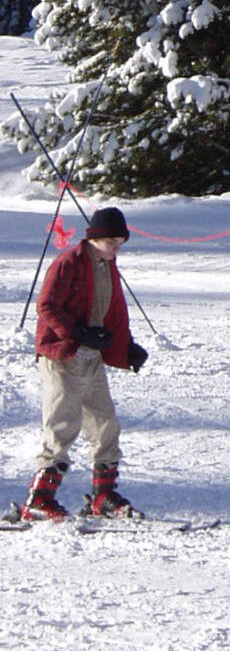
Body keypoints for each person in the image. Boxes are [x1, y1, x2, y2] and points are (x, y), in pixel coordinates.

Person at [25, 206, 148, 520]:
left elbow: (114, 314)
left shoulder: (108, 266)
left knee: (105, 425)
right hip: (62, 356)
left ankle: (103, 496)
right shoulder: (69, 263)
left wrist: (127, 348)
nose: (116, 248)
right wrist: (79, 333)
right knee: (63, 424)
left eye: (120, 243)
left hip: (91, 358)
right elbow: (46, 307)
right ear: (94, 238)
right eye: (111, 242)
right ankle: (39, 499)